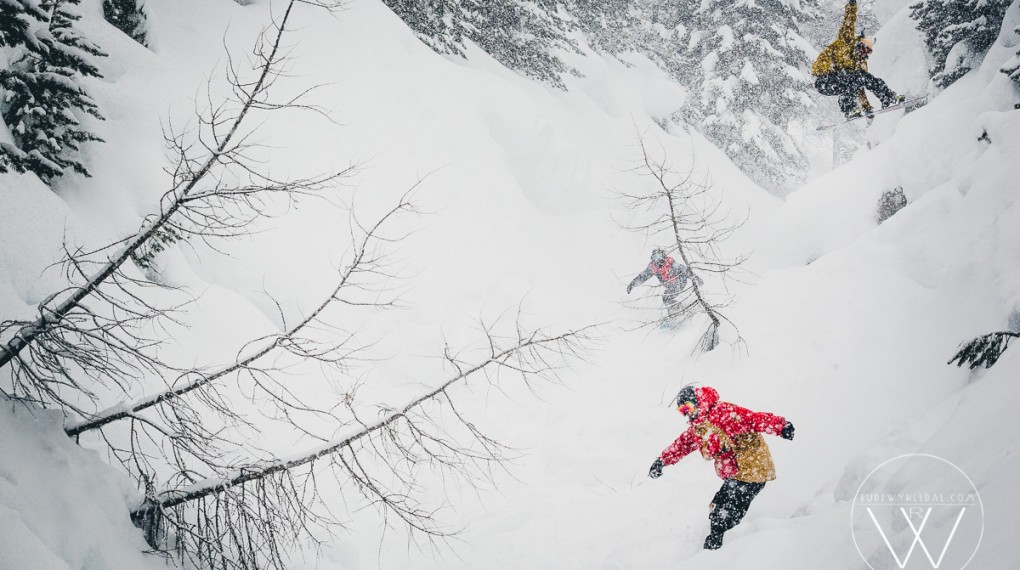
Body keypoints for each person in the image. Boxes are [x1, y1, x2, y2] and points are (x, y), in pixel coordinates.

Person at [648, 385, 795, 550]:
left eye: (688, 407)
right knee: (717, 508)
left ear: (699, 401)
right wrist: (662, 460)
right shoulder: (699, 426)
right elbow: (682, 444)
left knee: (724, 515)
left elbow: (753, 419)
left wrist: (781, 427)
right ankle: (720, 549)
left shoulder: (724, 412)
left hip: (753, 469)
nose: (687, 412)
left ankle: (723, 553)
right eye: (682, 410)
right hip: (738, 474)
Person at [812, 0, 904, 120]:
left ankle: (887, 96)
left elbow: (858, 86)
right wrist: (852, 5)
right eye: (864, 49)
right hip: (824, 80)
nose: (864, 53)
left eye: (867, 52)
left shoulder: (858, 64)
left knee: (862, 77)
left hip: (840, 80)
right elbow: (849, 22)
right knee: (849, 75)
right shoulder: (846, 41)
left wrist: (866, 108)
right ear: (859, 44)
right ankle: (849, 109)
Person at [626, 247, 701, 317]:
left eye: (659, 256)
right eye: (655, 257)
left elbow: (684, 270)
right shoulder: (653, 267)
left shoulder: (671, 263)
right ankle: (675, 312)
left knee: (666, 297)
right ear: (652, 258)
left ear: (663, 255)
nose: (657, 260)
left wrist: (695, 278)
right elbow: (642, 277)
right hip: (670, 285)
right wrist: (632, 285)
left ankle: (679, 310)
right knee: (665, 298)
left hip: (679, 282)